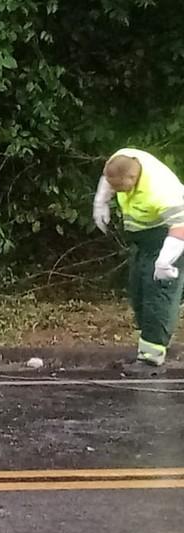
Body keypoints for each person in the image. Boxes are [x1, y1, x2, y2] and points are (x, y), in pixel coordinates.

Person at [94, 148, 184, 375]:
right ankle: (146, 350)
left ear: (133, 179)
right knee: (139, 292)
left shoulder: (162, 192)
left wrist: (165, 261)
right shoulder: (122, 159)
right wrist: (100, 202)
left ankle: (152, 359)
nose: (115, 192)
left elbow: (181, 228)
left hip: (168, 240)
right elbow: (108, 177)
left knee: (158, 295)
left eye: (119, 188)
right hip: (143, 243)